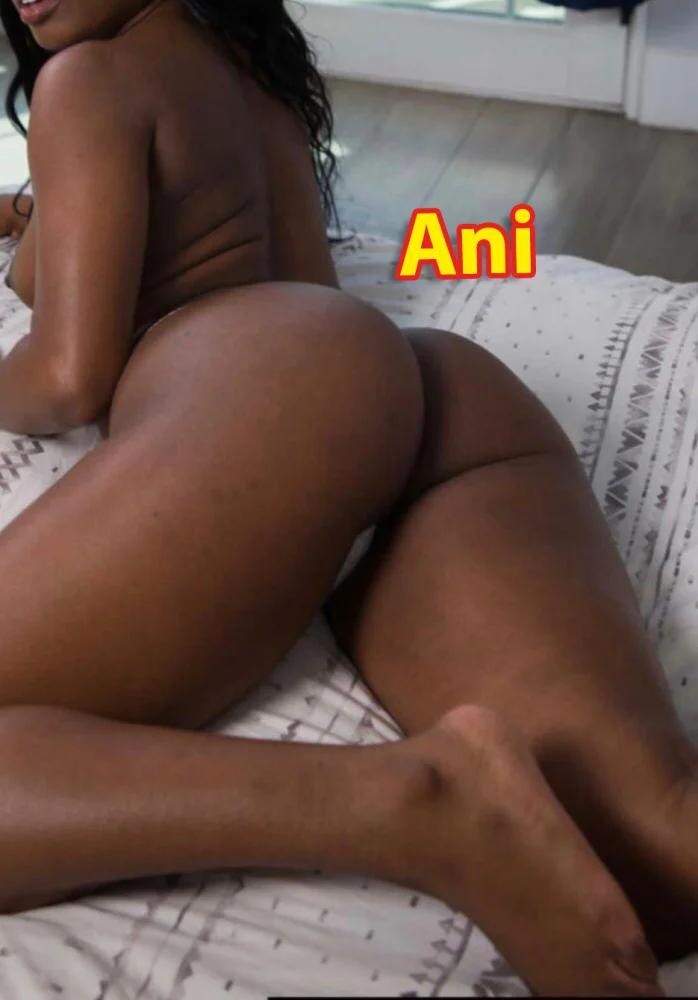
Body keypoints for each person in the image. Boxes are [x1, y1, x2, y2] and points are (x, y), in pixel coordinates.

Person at [0, 0, 695, 994]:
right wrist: (32, 214)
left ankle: (407, 804)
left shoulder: (87, 83)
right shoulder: (248, 72)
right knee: (658, 849)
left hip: (265, 407)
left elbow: (69, 374)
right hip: (428, 395)